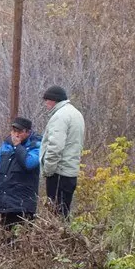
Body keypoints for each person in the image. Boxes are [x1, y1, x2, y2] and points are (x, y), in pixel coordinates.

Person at [38, 85, 85, 218]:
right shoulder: (75, 113)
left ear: (53, 100)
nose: (45, 104)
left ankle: (57, 239)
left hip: (59, 172)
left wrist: (48, 169)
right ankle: (66, 237)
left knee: (56, 214)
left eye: (46, 100)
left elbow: (55, 146)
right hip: (70, 171)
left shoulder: (60, 116)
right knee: (64, 212)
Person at [0, 117, 42, 230]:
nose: (16, 134)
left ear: (28, 132)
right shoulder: (6, 144)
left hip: (23, 201)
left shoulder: (36, 146)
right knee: (6, 235)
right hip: (5, 199)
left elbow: (29, 164)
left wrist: (17, 146)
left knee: (23, 235)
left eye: (19, 131)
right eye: (14, 131)